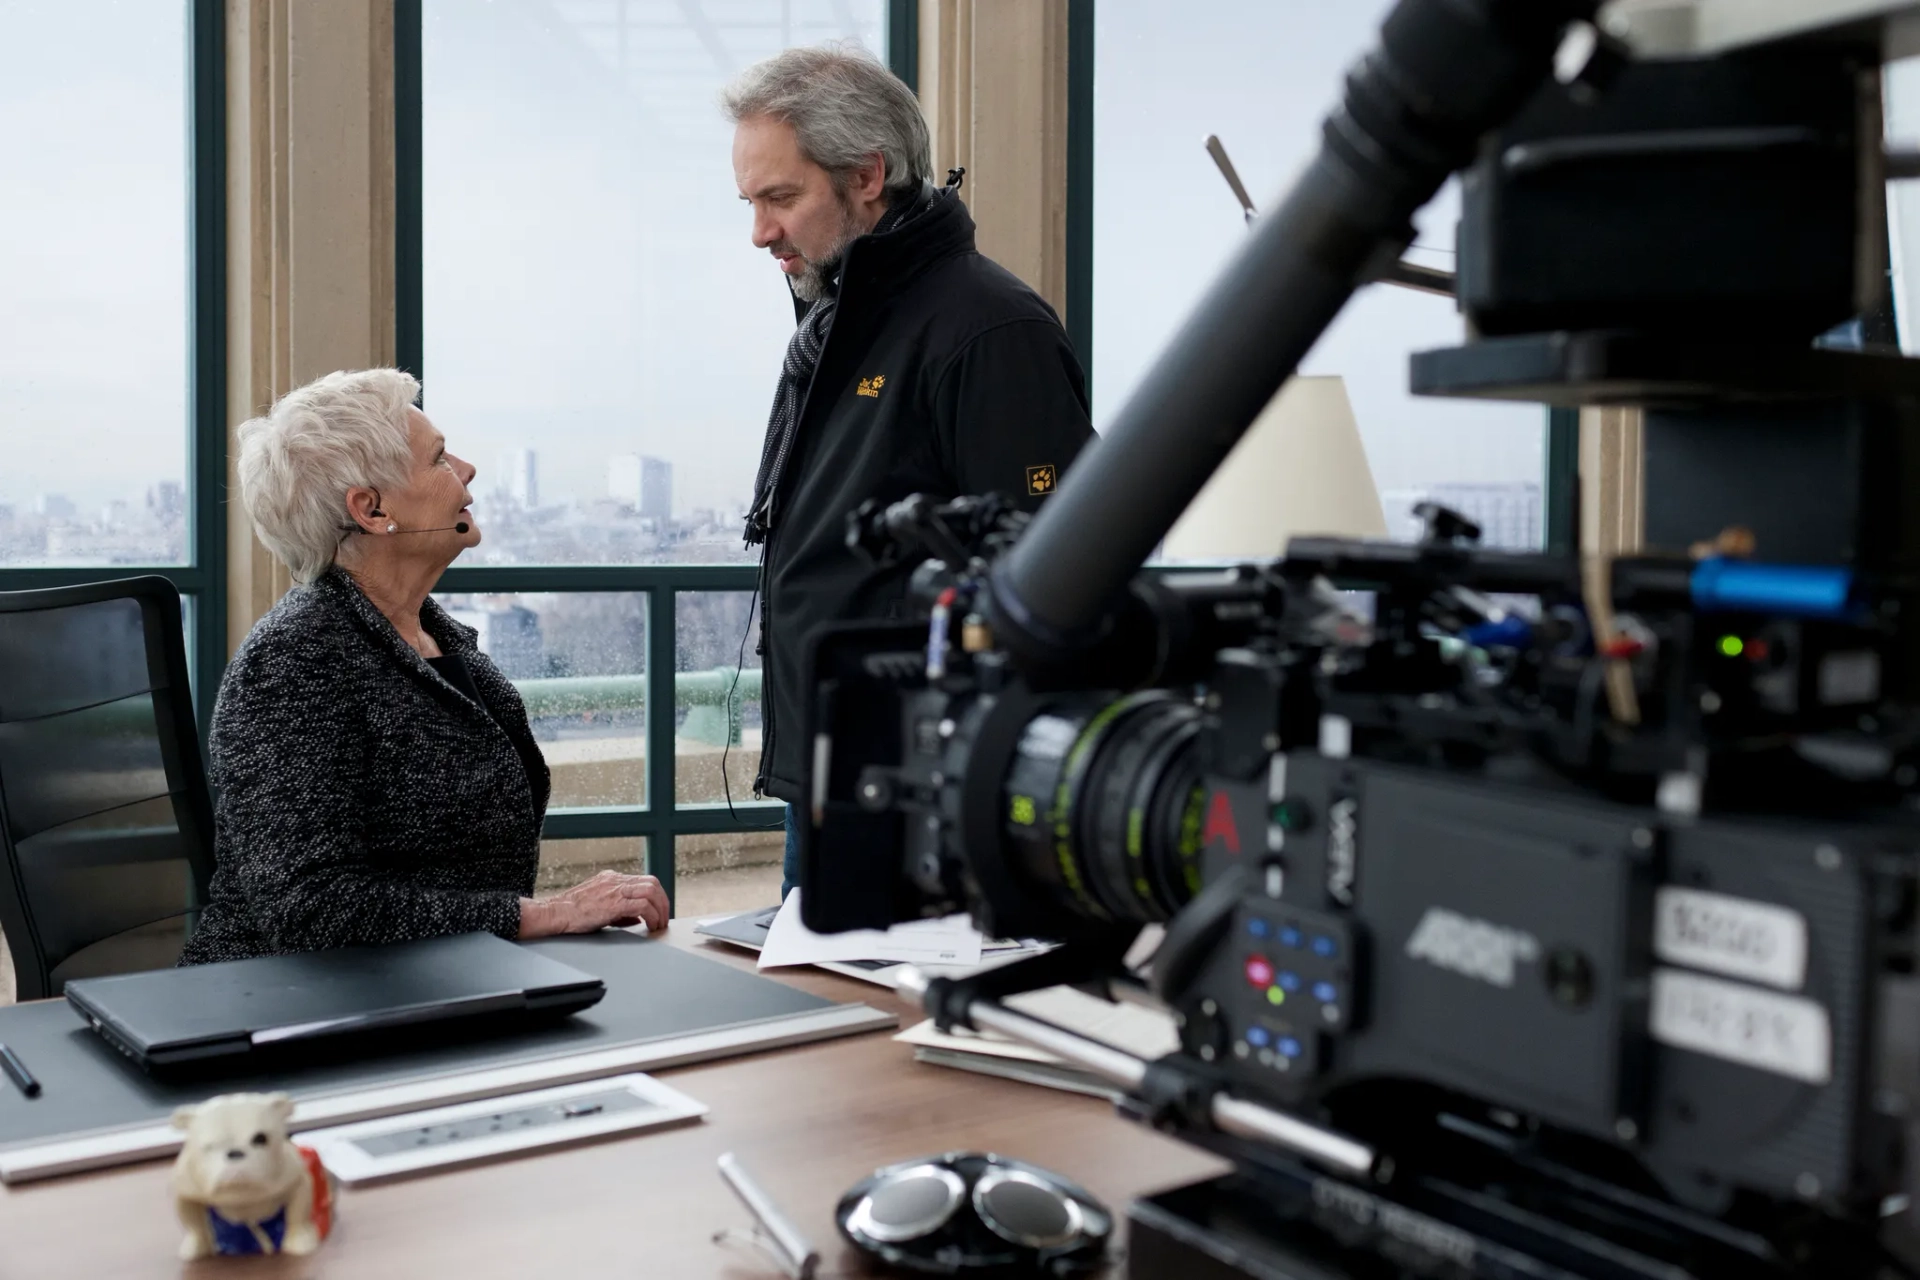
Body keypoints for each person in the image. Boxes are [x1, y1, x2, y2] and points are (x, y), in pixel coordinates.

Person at [723, 45, 1096, 900]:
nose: (759, 232)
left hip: (924, 793)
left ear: (868, 176)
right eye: (750, 202)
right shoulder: (840, 323)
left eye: (781, 198)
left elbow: (1050, 581)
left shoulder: (989, 330)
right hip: (836, 774)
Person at [179, 369, 668, 965]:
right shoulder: (293, 662)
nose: (465, 468)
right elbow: (310, 909)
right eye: (437, 458)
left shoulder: (438, 639)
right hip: (296, 1014)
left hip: (443, 984)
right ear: (371, 509)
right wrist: (545, 915)